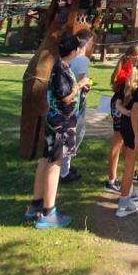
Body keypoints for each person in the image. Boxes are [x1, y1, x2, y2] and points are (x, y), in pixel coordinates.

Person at [24, 33, 91, 229]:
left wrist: (81, 90)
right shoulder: (61, 68)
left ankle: (36, 203)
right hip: (61, 124)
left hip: (56, 122)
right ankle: (48, 212)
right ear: (73, 50)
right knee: (55, 164)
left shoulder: (61, 66)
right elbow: (64, 96)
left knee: (46, 160)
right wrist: (80, 85)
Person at [114, 52, 138, 218]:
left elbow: (117, 104)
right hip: (134, 127)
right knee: (130, 166)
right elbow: (135, 112)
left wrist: (125, 112)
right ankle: (123, 205)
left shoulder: (129, 82)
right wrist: (137, 136)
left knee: (128, 163)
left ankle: (127, 196)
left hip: (125, 125)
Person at [105, 45, 138, 192]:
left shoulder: (131, 68)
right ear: (132, 58)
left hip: (124, 106)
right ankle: (111, 180)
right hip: (120, 107)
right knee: (118, 141)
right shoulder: (126, 70)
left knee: (126, 140)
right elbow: (125, 90)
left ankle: (130, 171)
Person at [60, 28, 93, 184]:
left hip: (68, 103)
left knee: (72, 135)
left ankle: (64, 166)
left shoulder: (68, 58)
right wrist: (85, 83)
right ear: (87, 43)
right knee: (75, 135)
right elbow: (77, 82)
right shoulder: (82, 60)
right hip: (74, 103)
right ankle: (64, 172)